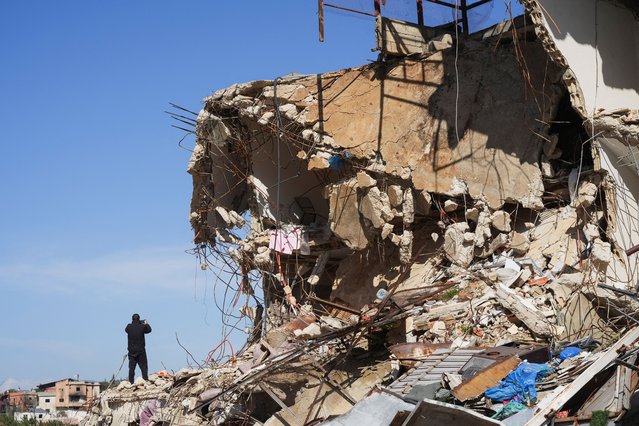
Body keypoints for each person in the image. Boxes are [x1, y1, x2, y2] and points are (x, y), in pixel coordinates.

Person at [125, 313, 152, 383]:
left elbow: (126, 330)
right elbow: (149, 330)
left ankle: (131, 382)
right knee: (143, 367)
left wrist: (137, 322)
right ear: (139, 319)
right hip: (141, 351)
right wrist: (145, 323)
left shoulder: (129, 327)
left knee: (131, 369)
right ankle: (145, 379)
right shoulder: (142, 327)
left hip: (131, 352)